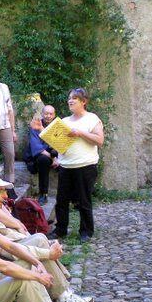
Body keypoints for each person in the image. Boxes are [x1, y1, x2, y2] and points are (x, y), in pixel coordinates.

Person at [0, 173, 96, 302]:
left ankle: (64, 293)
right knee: (39, 241)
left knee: (40, 241)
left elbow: (6, 241)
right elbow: (4, 249)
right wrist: (44, 253)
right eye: (0, 190)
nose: (5, 195)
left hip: (3, 255)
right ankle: (62, 298)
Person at [49, 88, 104, 243]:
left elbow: (99, 140)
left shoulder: (92, 119)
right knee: (61, 201)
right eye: (69, 98)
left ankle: (86, 231)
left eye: (74, 98)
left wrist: (80, 133)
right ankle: (60, 230)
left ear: (84, 102)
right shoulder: (64, 122)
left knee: (83, 201)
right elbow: (58, 144)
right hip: (66, 166)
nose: (70, 101)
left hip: (86, 166)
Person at [24, 105, 58, 205]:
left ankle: (73, 197)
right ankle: (43, 194)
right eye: (46, 113)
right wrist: (53, 159)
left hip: (54, 154)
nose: (48, 116)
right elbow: (37, 148)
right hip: (40, 154)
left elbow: (59, 144)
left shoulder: (57, 126)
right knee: (43, 160)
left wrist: (57, 157)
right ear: (42, 114)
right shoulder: (36, 125)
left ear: (54, 115)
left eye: (51, 114)